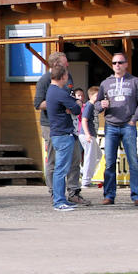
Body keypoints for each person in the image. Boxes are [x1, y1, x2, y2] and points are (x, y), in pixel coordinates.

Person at [33, 51, 87, 205]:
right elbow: (38, 104)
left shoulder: (67, 76)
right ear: (56, 64)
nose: (68, 64)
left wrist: (69, 103)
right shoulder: (44, 80)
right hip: (51, 125)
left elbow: (70, 97)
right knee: (53, 161)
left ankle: (73, 192)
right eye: (65, 62)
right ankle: (54, 193)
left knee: (75, 158)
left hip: (69, 125)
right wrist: (59, 104)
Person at [98, 52, 138, 206]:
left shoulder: (135, 81)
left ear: (126, 64)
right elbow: (96, 103)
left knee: (133, 161)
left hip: (128, 125)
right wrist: (101, 105)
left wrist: (134, 119)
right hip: (111, 124)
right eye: (114, 63)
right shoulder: (105, 83)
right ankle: (109, 195)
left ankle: (137, 196)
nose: (117, 65)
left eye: (120, 62)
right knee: (110, 163)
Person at [45, 64, 81, 211]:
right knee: (61, 169)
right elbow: (77, 109)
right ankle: (59, 201)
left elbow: (70, 108)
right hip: (63, 134)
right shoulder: (60, 93)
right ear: (63, 77)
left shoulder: (50, 91)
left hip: (57, 133)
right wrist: (76, 103)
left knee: (59, 168)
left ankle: (60, 199)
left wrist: (69, 107)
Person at [75, 86, 101, 194]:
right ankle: (86, 180)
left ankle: (85, 174)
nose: (99, 97)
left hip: (90, 134)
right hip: (87, 134)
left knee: (98, 155)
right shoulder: (89, 106)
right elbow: (84, 120)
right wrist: (87, 134)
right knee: (90, 156)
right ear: (91, 96)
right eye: (97, 95)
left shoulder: (93, 106)